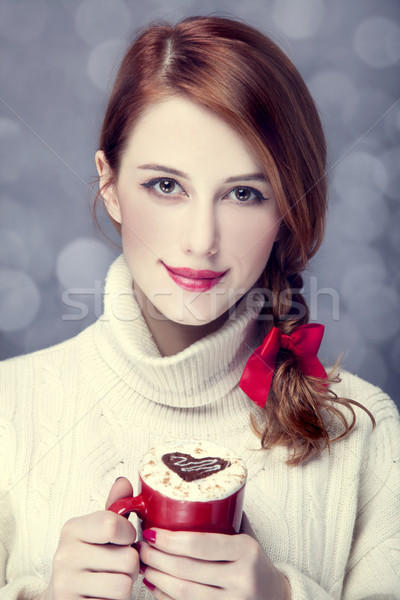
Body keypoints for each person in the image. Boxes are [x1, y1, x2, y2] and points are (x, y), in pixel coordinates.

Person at [0, 14, 399, 600]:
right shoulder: (10, 408)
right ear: (109, 185)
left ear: (286, 207)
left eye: (244, 193)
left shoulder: (363, 430)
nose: (201, 239)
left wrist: (286, 598)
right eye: (166, 186)